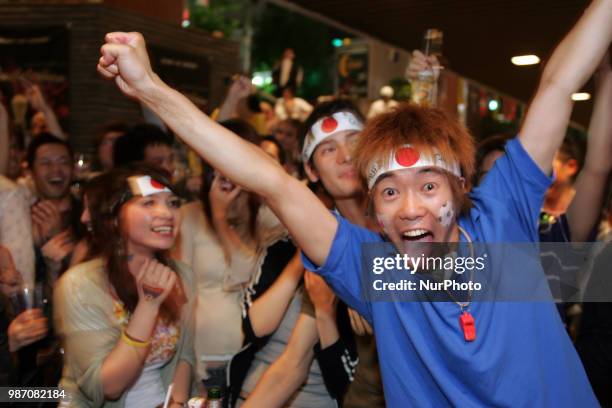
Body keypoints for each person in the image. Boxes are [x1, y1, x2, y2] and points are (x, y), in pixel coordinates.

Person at [97, 3, 610, 403]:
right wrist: (151, 88)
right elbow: (270, 179)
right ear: (373, 206)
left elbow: (559, 82)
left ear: (461, 186)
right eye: (389, 192)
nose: (409, 207)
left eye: (428, 186)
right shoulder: (378, 272)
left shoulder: (504, 216)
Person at [241, 100, 383, 408]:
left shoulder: (405, 223)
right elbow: (293, 362)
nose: (346, 157)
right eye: (329, 149)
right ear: (311, 170)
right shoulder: (324, 251)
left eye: (354, 141)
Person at [54, 165, 195, 407]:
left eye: (173, 203)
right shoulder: (79, 285)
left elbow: (185, 355)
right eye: (148, 203)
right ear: (113, 219)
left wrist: (177, 402)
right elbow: (107, 386)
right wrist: (148, 306)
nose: (167, 213)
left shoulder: (181, 275)